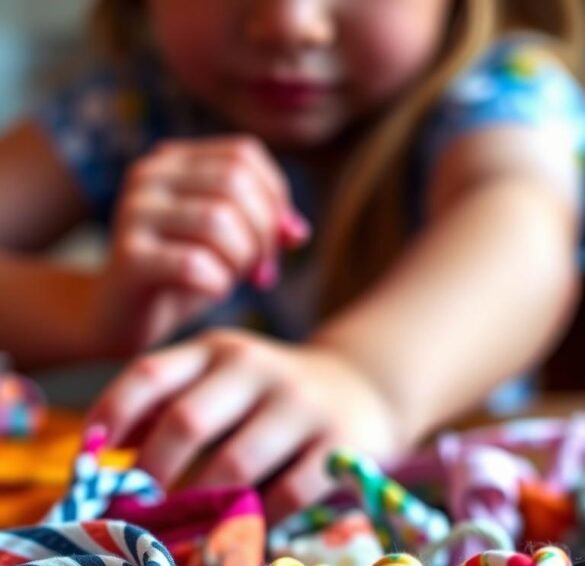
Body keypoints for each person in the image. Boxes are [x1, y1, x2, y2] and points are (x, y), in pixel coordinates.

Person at [0, 1, 583, 521]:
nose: (288, 23)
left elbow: (523, 230)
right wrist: (88, 309)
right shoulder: (128, 107)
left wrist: (365, 381)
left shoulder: (504, 91)